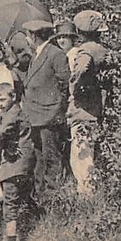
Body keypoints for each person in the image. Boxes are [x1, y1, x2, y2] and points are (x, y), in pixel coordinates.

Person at [21, 19, 70, 203]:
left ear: (34, 36)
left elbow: (65, 84)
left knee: (51, 159)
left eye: (28, 35)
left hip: (49, 117)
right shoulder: (37, 54)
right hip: (35, 116)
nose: (27, 39)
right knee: (39, 159)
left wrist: (57, 111)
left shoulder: (55, 54)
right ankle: (40, 198)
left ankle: (53, 200)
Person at [67, 10, 110, 195]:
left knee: (82, 156)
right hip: (98, 107)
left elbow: (81, 71)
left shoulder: (86, 51)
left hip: (85, 109)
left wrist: (75, 88)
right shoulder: (104, 49)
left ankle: (87, 197)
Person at [0, 81, 36, 241]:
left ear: (13, 97)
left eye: (3, 99)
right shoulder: (18, 111)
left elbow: (2, 132)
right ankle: (19, 239)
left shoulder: (12, 113)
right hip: (25, 164)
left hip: (13, 165)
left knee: (9, 204)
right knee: (19, 201)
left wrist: (4, 145)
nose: (0, 104)